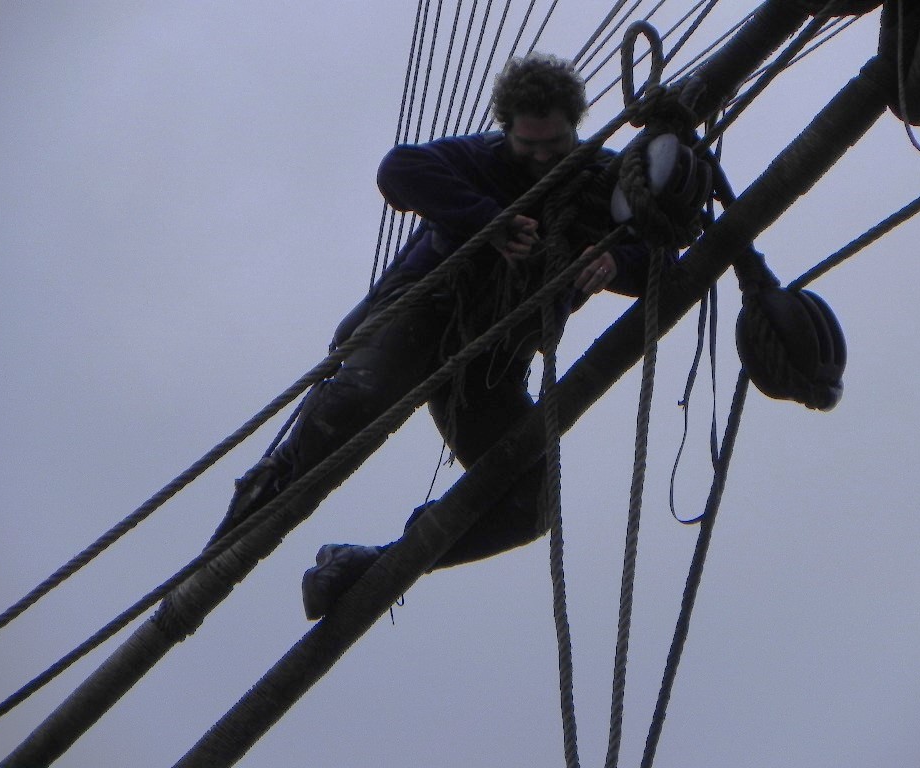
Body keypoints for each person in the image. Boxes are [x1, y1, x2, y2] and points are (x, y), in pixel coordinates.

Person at [220, 53, 666, 620]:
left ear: (575, 124)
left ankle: (370, 565)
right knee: (350, 407)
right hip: (422, 319)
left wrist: (615, 263)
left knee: (530, 506)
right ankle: (227, 544)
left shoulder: (602, 183)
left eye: (553, 143)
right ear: (505, 128)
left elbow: (659, 257)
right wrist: (489, 221)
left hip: (489, 366)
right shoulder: (477, 160)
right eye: (527, 147)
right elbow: (398, 171)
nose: (541, 158)